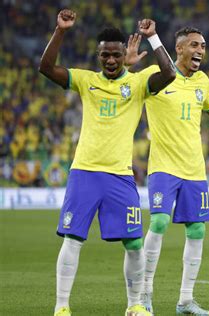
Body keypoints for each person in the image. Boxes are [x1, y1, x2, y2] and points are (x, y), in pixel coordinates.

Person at [39, 9, 175, 316]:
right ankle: (61, 307)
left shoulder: (139, 83)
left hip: (120, 176)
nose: (111, 61)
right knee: (73, 239)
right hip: (85, 171)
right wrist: (60, 30)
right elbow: (46, 67)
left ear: (122, 54)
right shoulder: (86, 81)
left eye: (115, 55)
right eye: (105, 56)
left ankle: (135, 305)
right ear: (98, 55)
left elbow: (169, 75)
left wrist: (153, 37)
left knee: (134, 244)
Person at [127, 27, 209, 315]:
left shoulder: (202, 80)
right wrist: (128, 68)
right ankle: (145, 293)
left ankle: (185, 300)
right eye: (194, 45)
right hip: (164, 166)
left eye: (203, 45)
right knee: (161, 223)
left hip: (194, 169)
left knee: (197, 229)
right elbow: (128, 90)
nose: (200, 50)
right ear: (178, 49)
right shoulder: (158, 75)